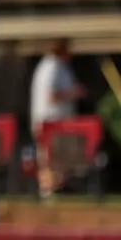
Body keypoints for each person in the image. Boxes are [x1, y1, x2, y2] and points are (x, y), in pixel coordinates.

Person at [29, 38, 86, 198]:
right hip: (51, 122)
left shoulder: (58, 67)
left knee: (59, 162)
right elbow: (51, 96)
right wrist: (74, 93)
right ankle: (48, 192)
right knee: (50, 160)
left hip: (59, 123)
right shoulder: (51, 67)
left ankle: (56, 191)